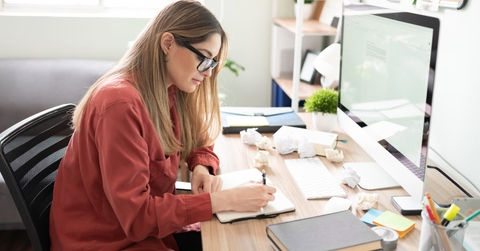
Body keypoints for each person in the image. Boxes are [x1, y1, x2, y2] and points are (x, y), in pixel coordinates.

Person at [49, 1, 277, 250]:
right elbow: (137, 218)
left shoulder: (170, 87)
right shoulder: (120, 104)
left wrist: (201, 167)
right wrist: (224, 200)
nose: (209, 73)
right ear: (168, 44)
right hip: (105, 241)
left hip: (141, 231)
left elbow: (198, 136)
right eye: (204, 58)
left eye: (212, 63)